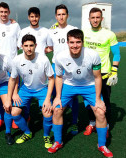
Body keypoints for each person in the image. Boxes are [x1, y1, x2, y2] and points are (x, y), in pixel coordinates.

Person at [48, 29, 113, 158]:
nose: (75, 45)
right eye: (72, 42)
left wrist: (99, 99)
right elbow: (59, 78)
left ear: (83, 42)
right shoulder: (60, 57)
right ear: (67, 43)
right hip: (69, 85)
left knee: (100, 112)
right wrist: (57, 97)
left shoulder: (93, 55)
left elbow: (97, 77)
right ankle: (58, 142)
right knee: (56, 109)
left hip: (89, 86)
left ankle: (101, 145)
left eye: (78, 42)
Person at [5, 34, 54, 149]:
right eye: (26, 46)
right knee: (14, 112)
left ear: (36, 46)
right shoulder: (17, 60)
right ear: (22, 46)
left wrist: (47, 98)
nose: (29, 48)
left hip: (42, 89)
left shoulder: (43, 59)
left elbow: (51, 79)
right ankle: (27, 132)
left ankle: (46, 135)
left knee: (47, 112)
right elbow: (13, 79)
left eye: (31, 45)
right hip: (26, 89)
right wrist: (11, 96)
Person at [82, 7, 121, 137]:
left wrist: (114, 71)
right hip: (87, 75)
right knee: (88, 102)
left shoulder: (109, 34)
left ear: (102, 19)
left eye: (97, 17)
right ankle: (92, 123)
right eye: (92, 18)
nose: (95, 20)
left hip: (104, 74)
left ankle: (107, 126)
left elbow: (116, 54)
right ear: (89, 19)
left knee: (105, 102)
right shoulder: (84, 33)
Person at [49, 4, 79, 135]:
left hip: (71, 67)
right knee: (56, 95)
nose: (61, 17)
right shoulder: (51, 31)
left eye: (63, 14)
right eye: (59, 14)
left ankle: (74, 122)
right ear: (56, 16)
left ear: (67, 15)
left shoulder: (74, 29)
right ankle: (55, 121)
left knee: (73, 97)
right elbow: (49, 48)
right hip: (56, 67)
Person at [0, 2, 21, 129]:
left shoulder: (15, 25)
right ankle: (1, 118)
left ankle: (15, 117)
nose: (3, 14)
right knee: (0, 93)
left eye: (5, 12)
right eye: (1, 12)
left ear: (9, 12)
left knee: (14, 92)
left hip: (12, 64)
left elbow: (19, 43)